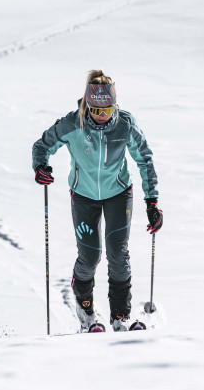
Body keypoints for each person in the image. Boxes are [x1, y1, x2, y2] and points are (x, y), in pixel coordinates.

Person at [32, 69, 163, 332]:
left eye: (108, 110)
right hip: (84, 196)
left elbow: (144, 159)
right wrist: (40, 167)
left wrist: (152, 202)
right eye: (96, 110)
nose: (103, 116)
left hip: (118, 194)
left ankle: (120, 315)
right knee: (90, 256)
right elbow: (42, 146)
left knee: (118, 253)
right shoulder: (72, 125)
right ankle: (87, 311)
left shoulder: (125, 124)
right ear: (87, 106)